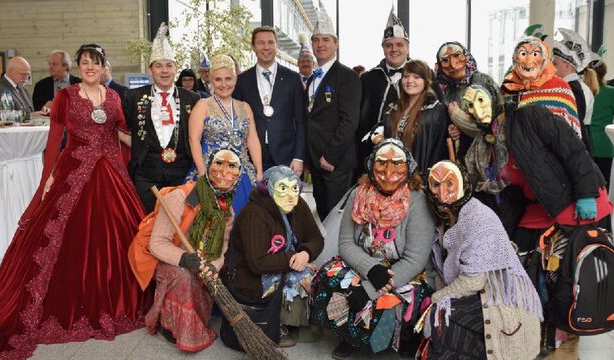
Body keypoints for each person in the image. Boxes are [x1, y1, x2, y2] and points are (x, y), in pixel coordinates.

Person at [0, 43, 148, 358]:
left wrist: (148, 143)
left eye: (94, 62)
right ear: (78, 66)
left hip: (111, 174)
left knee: (116, 234)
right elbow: (55, 138)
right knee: (71, 239)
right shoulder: (65, 96)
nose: (89, 67)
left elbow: (121, 132)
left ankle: (114, 301)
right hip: (74, 172)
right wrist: (48, 174)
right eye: (84, 62)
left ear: (103, 66)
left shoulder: (115, 97)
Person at [463, 82, 612, 359]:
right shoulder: (485, 145)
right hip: (539, 205)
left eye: (480, 100)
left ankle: (563, 341)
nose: (476, 110)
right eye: (468, 106)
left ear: (495, 98)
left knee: (562, 274)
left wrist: (586, 193)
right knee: (519, 264)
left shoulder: (530, 116)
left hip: (572, 199)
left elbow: (573, 149)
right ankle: (535, 329)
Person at [310, 139, 435, 359]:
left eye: (397, 163)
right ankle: (349, 336)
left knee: (394, 300)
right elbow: (347, 243)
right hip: (365, 262)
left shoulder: (418, 201)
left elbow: (416, 259)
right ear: (370, 166)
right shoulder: (359, 195)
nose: (388, 171)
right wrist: (371, 269)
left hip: (403, 270)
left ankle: (389, 344)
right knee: (331, 277)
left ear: (409, 167)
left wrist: (371, 287)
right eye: (382, 163)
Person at [424, 160, 542, 360]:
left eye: (449, 183)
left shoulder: (479, 218)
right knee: (440, 317)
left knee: (441, 314)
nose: (442, 192)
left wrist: (437, 298)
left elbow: (474, 280)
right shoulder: (448, 215)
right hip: (476, 291)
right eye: (435, 185)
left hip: (499, 296)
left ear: (462, 184)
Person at [129, 147, 240, 352]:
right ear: (207, 168)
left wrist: (212, 267)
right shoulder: (180, 197)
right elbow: (157, 244)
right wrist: (184, 259)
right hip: (162, 258)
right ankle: (167, 326)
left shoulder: (226, 210)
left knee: (204, 278)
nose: (225, 173)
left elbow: (222, 250)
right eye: (219, 164)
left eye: (232, 167)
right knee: (183, 276)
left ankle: (191, 321)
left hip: (198, 262)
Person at [220, 165, 324, 349]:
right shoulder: (254, 213)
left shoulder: (298, 205)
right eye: (282, 188)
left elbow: (316, 238)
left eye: (294, 188)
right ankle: (277, 322)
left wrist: (305, 253)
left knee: (316, 275)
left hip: (281, 263)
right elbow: (257, 262)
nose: (290, 195)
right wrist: (294, 260)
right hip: (251, 275)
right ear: (268, 187)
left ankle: (295, 322)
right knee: (303, 276)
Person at [125, 23, 201, 213]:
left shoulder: (192, 98)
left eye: (169, 65)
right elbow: (121, 128)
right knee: (147, 225)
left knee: (181, 224)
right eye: (158, 66)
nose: (164, 71)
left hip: (182, 174)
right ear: (150, 70)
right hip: (146, 175)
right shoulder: (133, 97)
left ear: (176, 69)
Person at [185, 54, 263, 215]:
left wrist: (259, 171)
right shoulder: (203, 105)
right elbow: (194, 140)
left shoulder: (244, 107)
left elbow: (253, 139)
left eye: (228, 79)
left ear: (235, 79)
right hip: (211, 172)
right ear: (211, 80)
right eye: (218, 79)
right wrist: (202, 175)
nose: (224, 84)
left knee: (246, 220)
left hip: (242, 174)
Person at [305, 17, 361, 221]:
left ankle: (338, 255)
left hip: (336, 162)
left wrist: (330, 156)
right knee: (323, 216)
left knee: (337, 220)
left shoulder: (347, 77)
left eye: (326, 39)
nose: (321, 44)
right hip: (317, 161)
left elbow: (349, 121)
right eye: (316, 40)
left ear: (336, 44)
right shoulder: (312, 78)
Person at [234, 26, 306, 175]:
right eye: (261, 43)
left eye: (270, 42)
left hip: (286, 156)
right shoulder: (242, 81)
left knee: (284, 198)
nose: (266, 47)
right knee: (254, 199)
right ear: (253, 47)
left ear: (277, 46)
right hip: (252, 158)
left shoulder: (293, 79)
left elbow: (301, 120)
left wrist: (299, 157)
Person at [372, 60, 449, 177]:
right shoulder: (392, 108)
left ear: (426, 81)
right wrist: (377, 135)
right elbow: (381, 128)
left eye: (416, 77)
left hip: (420, 179)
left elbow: (439, 151)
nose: (410, 81)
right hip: (391, 175)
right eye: (406, 76)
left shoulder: (436, 111)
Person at [357, 10, 410, 177]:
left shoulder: (424, 76)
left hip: (411, 154)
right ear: (383, 48)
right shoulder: (367, 79)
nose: (394, 49)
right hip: (372, 155)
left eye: (399, 44)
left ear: (407, 47)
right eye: (389, 45)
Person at [502, 35, 581, 138]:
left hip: (551, 150)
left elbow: (573, 134)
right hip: (519, 149)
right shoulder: (511, 87)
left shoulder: (560, 87)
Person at [434, 41, 502, 161]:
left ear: (466, 56)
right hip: (464, 158)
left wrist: (457, 116)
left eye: (457, 56)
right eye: (445, 60)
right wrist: (454, 129)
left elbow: (491, 129)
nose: (453, 65)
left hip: (487, 158)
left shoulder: (482, 82)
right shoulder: (450, 90)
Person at [552, 28, 596, 150]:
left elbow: (573, 125)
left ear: (567, 66)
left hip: (574, 148)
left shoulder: (574, 89)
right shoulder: (578, 87)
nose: (552, 68)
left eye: (555, 64)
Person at [589, 61, 614, 186]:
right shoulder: (611, 92)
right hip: (603, 144)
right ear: (605, 73)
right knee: (602, 183)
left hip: (583, 143)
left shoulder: (580, 90)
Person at [32, 49, 81, 114]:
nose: (50, 67)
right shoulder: (40, 85)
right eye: (49, 64)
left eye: (54, 64)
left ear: (66, 66)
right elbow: (34, 109)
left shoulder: (80, 84)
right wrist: (44, 108)